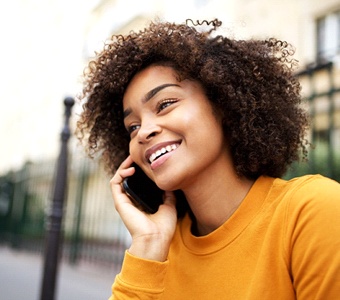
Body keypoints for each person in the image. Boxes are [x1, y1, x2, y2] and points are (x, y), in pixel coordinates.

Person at [76, 19, 340, 299]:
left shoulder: (314, 211)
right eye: (133, 126)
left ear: (223, 104)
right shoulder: (158, 250)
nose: (144, 132)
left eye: (164, 104)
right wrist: (149, 244)